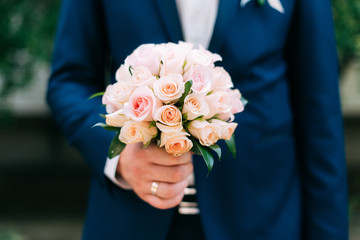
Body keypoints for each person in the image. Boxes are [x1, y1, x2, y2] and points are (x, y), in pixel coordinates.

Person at [47, 0, 348, 239]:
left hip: (260, 216)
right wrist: (119, 158)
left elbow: (319, 112)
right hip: (132, 219)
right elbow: (68, 81)